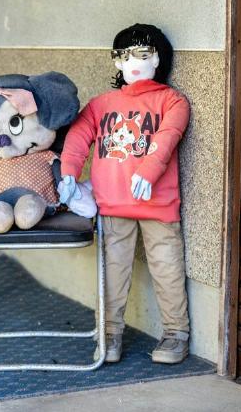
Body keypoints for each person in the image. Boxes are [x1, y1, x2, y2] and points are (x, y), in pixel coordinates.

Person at [58, 24, 191, 364]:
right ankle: (109, 334)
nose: (133, 61)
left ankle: (176, 334)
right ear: (116, 61)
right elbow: (77, 139)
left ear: (158, 59)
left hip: (159, 205)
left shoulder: (171, 100)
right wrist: (69, 174)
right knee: (112, 271)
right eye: (124, 54)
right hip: (112, 203)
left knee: (167, 269)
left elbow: (168, 136)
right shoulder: (101, 104)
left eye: (142, 54)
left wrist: (148, 171)